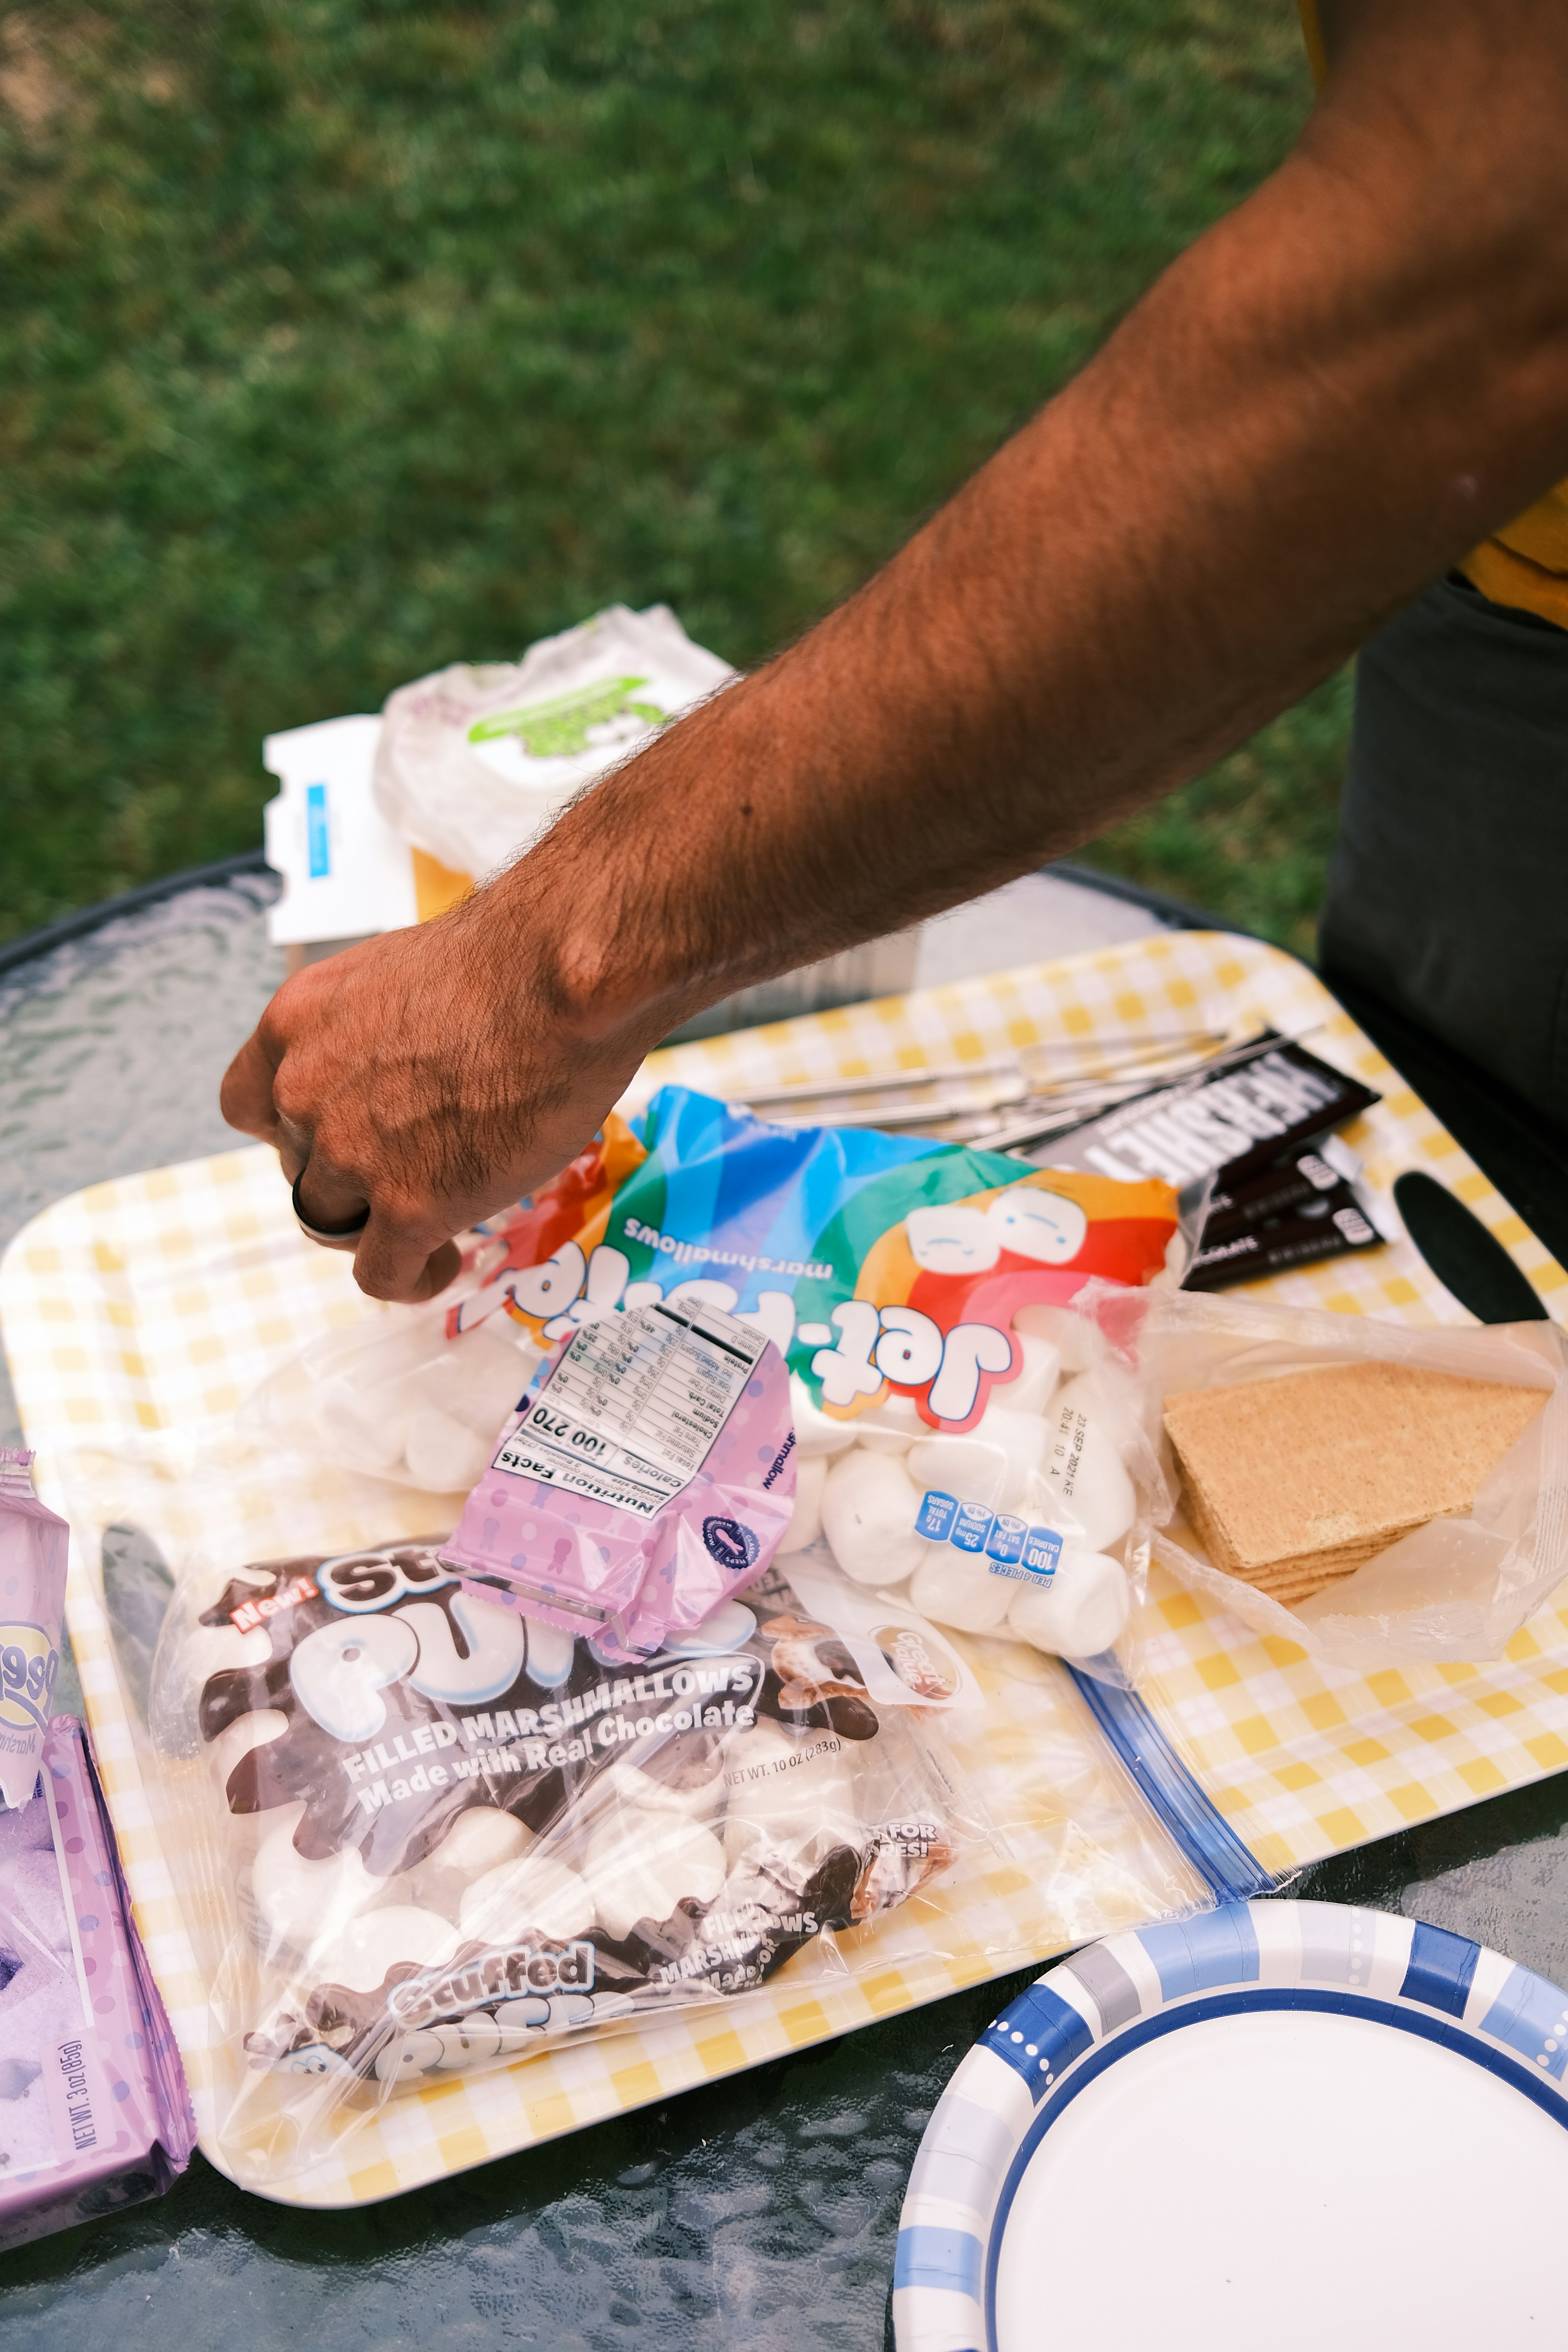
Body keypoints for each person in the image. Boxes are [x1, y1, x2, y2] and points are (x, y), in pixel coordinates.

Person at [222, 0, 1568, 1307]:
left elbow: (1467, 294)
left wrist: (549, 977)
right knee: (1461, 1160)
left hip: (1499, 497)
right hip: (1507, 582)